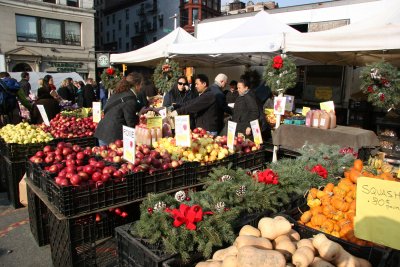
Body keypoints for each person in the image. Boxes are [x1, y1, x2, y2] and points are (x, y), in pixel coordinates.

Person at [94, 72, 143, 145]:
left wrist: (141, 108)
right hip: (112, 136)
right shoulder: (130, 98)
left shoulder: (119, 92)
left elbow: (120, 107)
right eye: (141, 84)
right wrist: (140, 116)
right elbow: (131, 122)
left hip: (103, 131)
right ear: (137, 85)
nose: (142, 87)